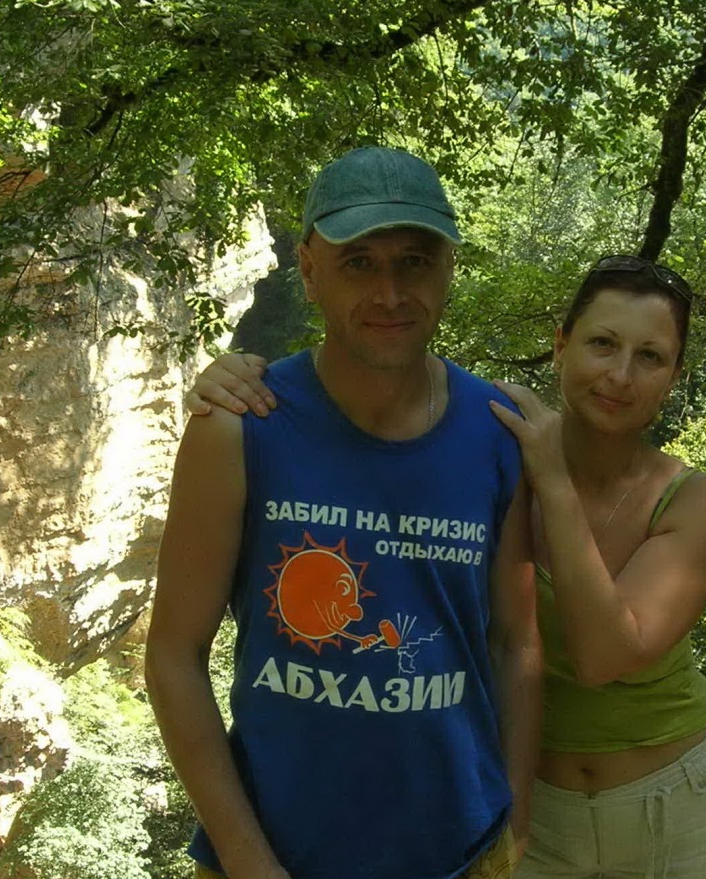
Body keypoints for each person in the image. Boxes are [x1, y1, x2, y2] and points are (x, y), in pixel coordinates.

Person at [194, 255, 706, 878]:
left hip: (678, 802)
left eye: (650, 357)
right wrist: (232, 379)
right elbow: (376, 438)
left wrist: (555, 484)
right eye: (602, 343)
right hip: (532, 808)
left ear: (673, 376)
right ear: (561, 346)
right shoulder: (487, 445)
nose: (620, 375)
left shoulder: (692, 499)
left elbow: (603, 656)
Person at [146, 145, 542, 879]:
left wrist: (513, 817)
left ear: (448, 269)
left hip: (463, 851)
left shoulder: (500, 434)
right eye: (358, 262)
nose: (390, 293)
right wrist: (246, 859)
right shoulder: (240, 426)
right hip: (273, 853)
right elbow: (174, 653)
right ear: (308, 270)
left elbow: (516, 643)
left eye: (415, 261)